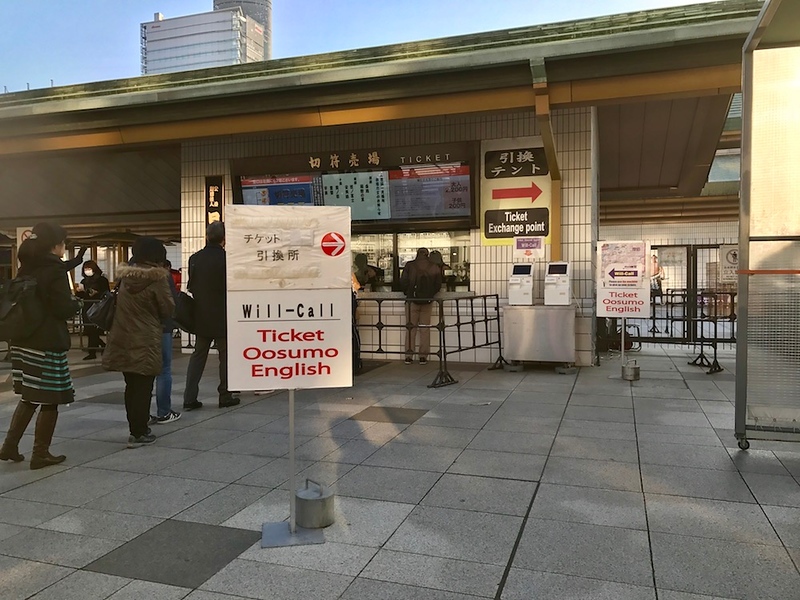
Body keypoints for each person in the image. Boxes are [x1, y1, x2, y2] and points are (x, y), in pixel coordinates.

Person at [0, 222, 81, 469]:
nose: (64, 247)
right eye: (63, 243)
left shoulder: (27, 268)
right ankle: (40, 453)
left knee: (30, 395)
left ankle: (10, 446)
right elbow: (60, 306)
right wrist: (75, 304)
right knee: (51, 397)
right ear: (54, 245)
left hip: (24, 341)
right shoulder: (54, 270)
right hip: (46, 342)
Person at [102, 237, 174, 448]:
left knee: (131, 385)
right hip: (146, 339)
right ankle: (140, 432)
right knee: (144, 386)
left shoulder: (125, 277)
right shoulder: (157, 279)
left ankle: (135, 427)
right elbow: (168, 308)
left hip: (123, 337)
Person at [183, 221, 240, 411]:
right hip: (223, 315)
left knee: (198, 355)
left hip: (201, 315)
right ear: (225, 238)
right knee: (225, 356)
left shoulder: (194, 258)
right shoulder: (228, 259)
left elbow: (191, 286)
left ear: (207, 236)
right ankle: (225, 395)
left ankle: (189, 397)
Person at [399, 247, 443, 365]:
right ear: (427, 254)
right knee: (425, 329)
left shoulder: (410, 265)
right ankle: (423, 356)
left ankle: (409, 356)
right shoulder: (434, 266)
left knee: (410, 328)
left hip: (411, 301)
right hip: (427, 302)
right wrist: (430, 295)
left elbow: (403, 282)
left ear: (417, 254)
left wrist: (408, 293)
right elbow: (438, 284)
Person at [150, 259, 181, 425]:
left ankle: (139, 417)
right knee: (163, 370)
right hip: (162, 328)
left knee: (141, 374)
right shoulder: (162, 276)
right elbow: (170, 303)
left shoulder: (128, 276)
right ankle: (163, 412)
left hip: (137, 330)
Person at [77, 260, 110, 360]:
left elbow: (106, 293)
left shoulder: (102, 280)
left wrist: (97, 293)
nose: (87, 271)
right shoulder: (84, 281)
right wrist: (80, 292)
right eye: (85, 269)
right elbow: (80, 295)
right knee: (89, 329)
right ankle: (103, 346)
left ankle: (92, 352)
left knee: (93, 330)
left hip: (98, 307)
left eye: (89, 268)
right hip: (87, 307)